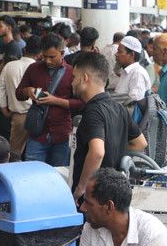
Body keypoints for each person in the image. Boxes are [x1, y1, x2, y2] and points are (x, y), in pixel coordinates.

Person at [68, 52, 147, 199]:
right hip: (112, 193)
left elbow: (97, 152)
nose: (72, 82)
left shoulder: (92, 112)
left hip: (94, 198)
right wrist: (115, 149)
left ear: (84, 78)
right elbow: (140, 143)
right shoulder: (119, 108)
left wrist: (81, 188)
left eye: (74, 77)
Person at [15, 33, 84, 167]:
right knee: (32, 173)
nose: (47, 61)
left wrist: (56, 101)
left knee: (58, 174)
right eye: (44, 56)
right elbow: (18, 93)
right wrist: (27, 91)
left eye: (52, 57)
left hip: (62, 134)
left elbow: (81, 103)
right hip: (37, 133)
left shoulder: (71, 72)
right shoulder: (33, 68)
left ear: (62, 53)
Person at [0, 35, 41, 157]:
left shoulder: (10, 66)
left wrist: (5, 110)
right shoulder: (40, 68)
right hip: (39, 117)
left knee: (15, 153)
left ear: (24, 49)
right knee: (36, 153)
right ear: (40, 53)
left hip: (19, 117)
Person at [113, 36, 151, 101]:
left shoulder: (138, 73)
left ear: (131, 54)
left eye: (120, 52)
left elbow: (134, 104)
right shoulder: (126, 72)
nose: (116, 54)